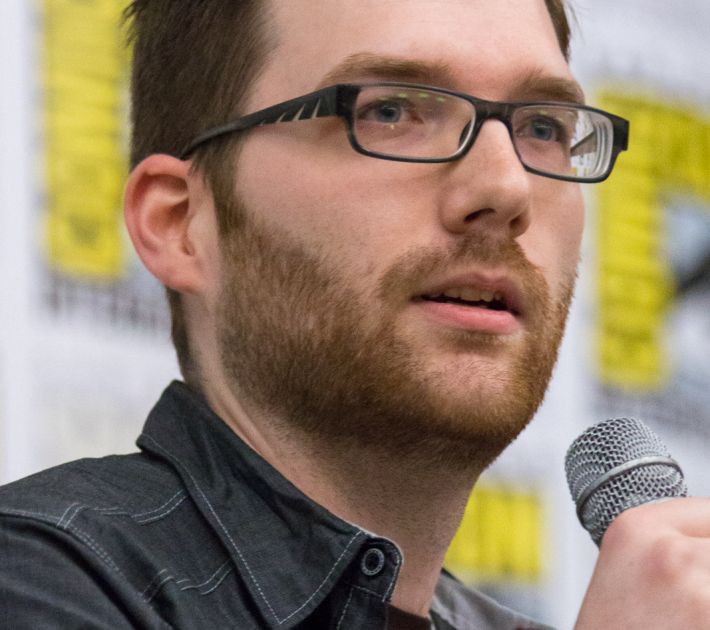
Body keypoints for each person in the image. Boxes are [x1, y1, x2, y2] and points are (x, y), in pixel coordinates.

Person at [7, 1, 700, 628]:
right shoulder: (39, 582)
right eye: (391, 112)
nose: (504, 187)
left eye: (543, 127)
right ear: (181, 223)